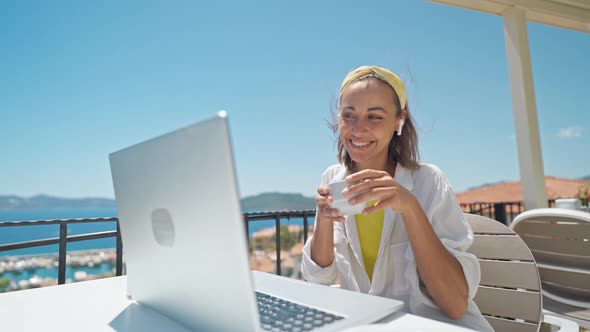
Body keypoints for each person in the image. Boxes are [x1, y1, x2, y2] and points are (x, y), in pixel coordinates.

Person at [301, 65, 493, 331]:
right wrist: (323, 219)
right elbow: (318, 280)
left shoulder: (428, 181)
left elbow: (455, 305)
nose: (358, 129)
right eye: (349, 115)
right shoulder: (332, 179)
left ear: (398, 120)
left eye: (375, 117)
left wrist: (410, 207)